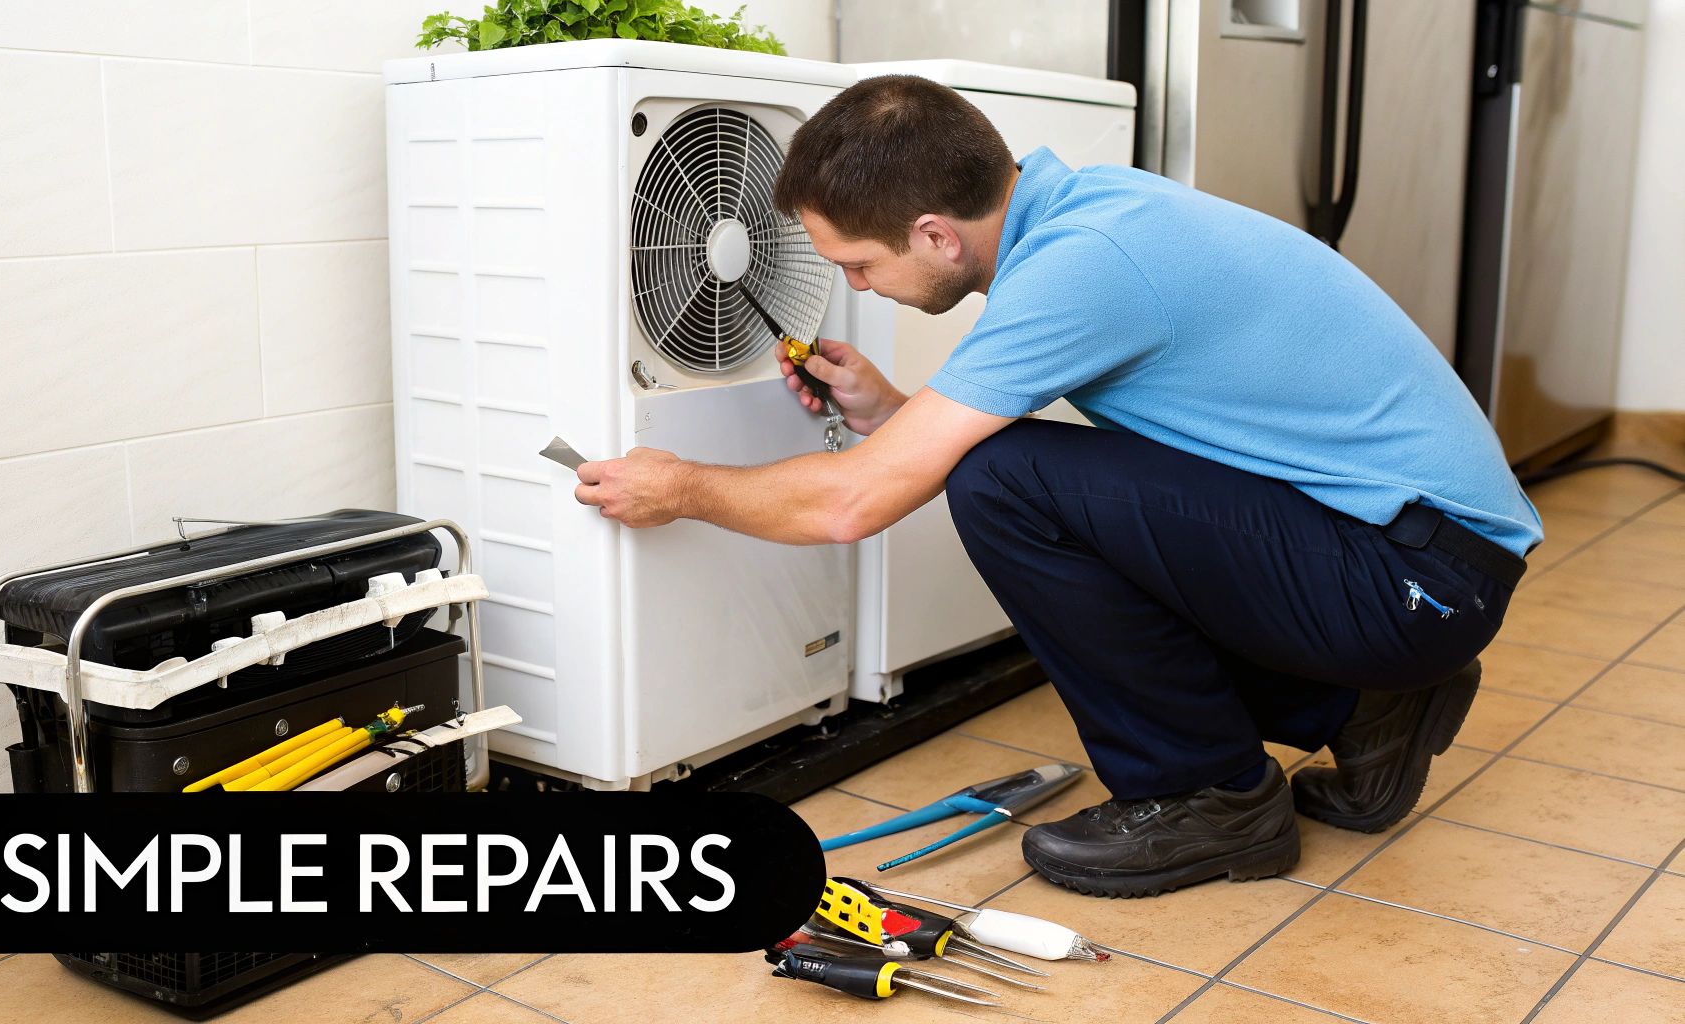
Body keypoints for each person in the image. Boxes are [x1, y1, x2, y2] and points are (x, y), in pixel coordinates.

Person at [573, 76, 1541, 898]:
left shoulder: (1081, 269)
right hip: (1415, 552)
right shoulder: (1090, 211)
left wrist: (682, 486)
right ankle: (1362, 710)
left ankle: (1208, 797)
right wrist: (891, 410)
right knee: (1010, 470)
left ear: (934, 235)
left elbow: (848, 504)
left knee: (1001, 481)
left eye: (858, 264)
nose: (856, 290)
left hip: (1415, 578)